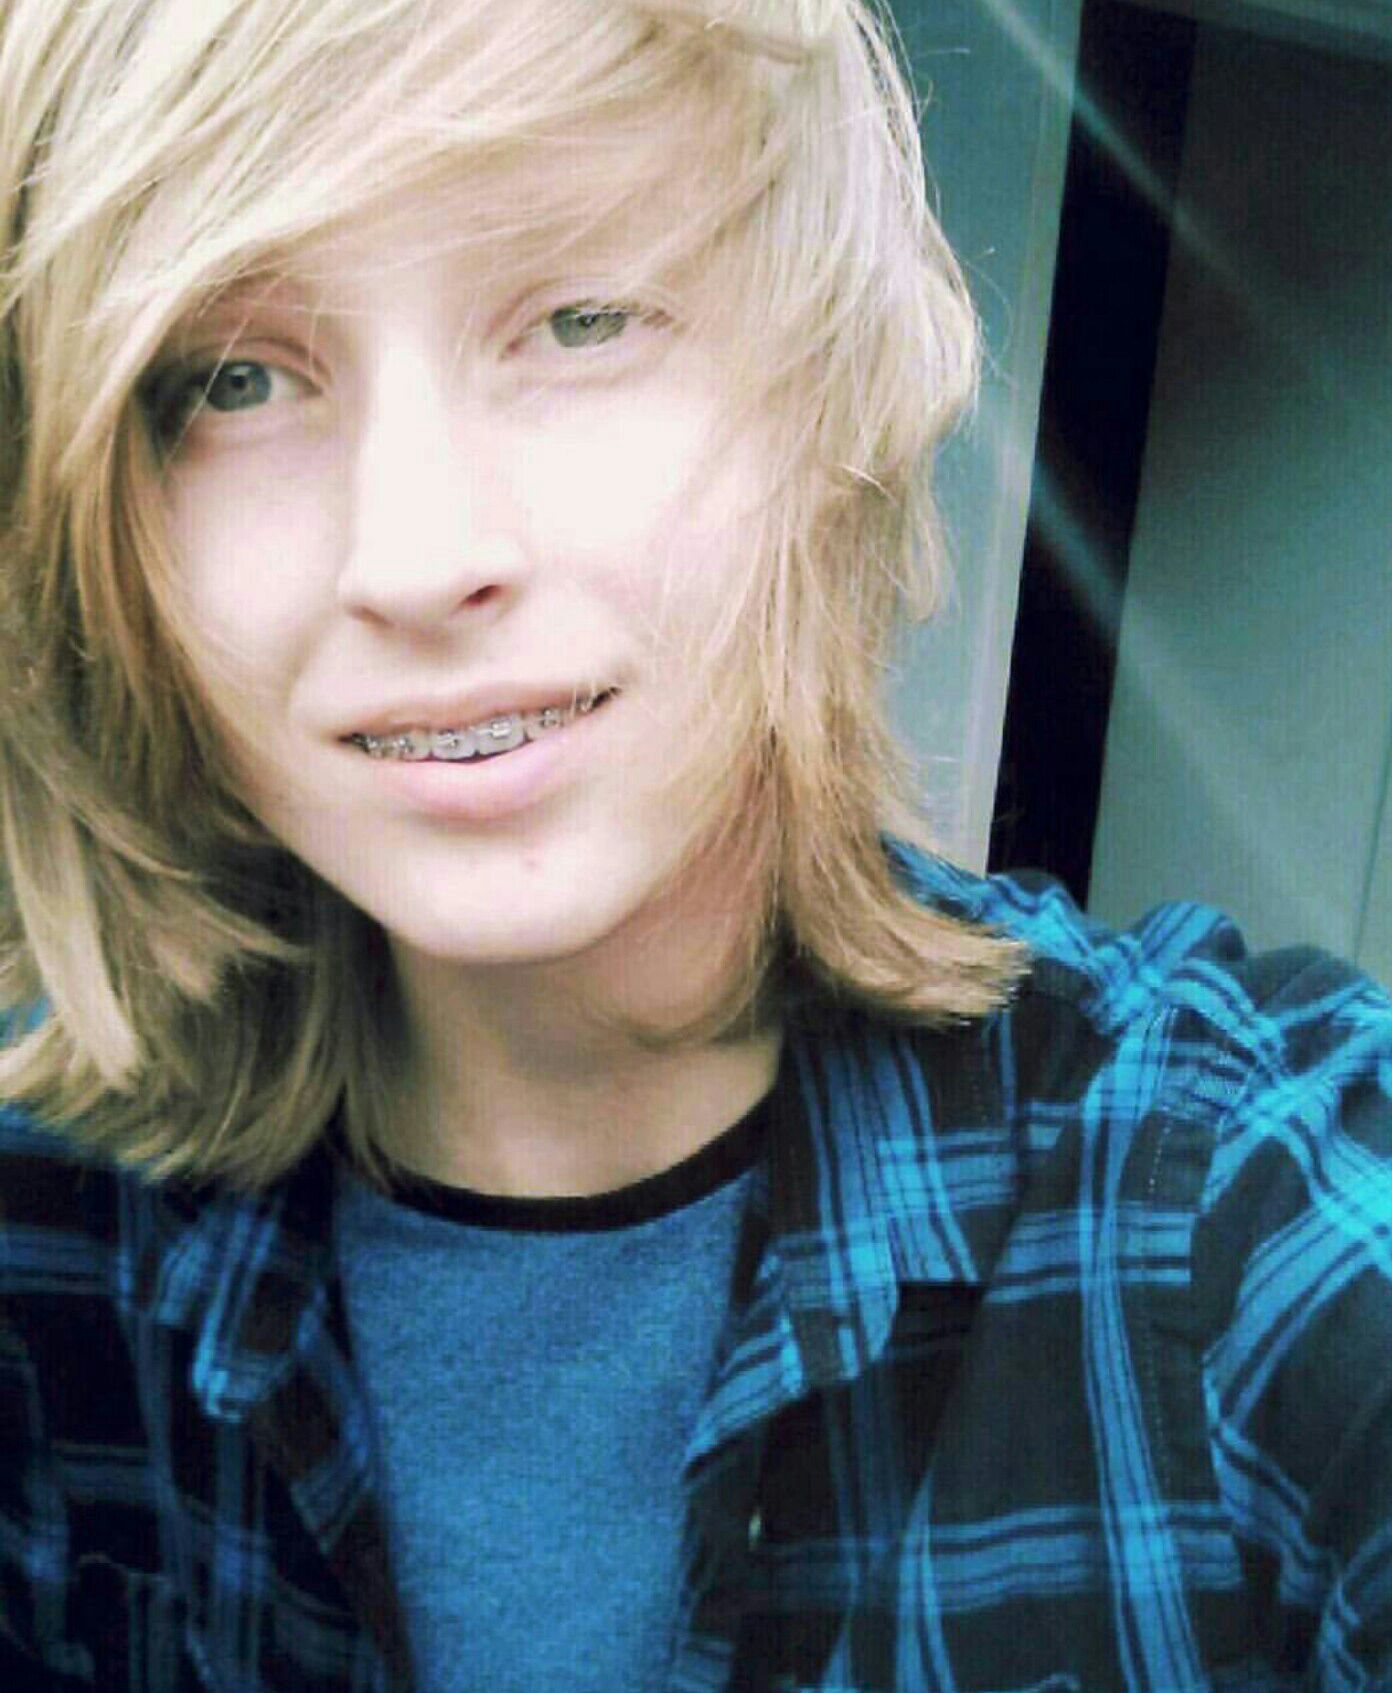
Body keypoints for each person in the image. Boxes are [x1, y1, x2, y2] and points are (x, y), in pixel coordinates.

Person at [1, 0, 1390, 1688]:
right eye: (238, 379)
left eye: (580, 318)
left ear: (824, 402)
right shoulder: (50, 1269)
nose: (416, 555)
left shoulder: (1232, 1221)